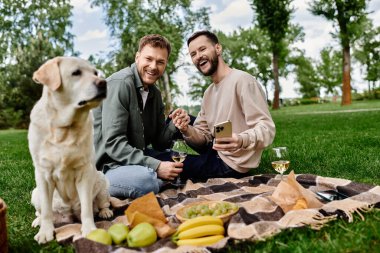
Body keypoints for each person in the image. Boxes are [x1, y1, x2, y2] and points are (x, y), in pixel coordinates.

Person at [170, 30, 276, 181]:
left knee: (160, 160)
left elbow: (266, 128)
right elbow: (204, 138)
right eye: (193, 54)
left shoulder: (243, 81)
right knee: (172, 120)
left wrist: (240, 139)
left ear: (218, 48)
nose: (198, 56)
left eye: (202, 49)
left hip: (230, 165)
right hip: (217, 149)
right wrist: (186, 129)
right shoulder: (209, 93)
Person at [92, 34, 183, 199]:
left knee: (179, 164)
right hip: (105, 167)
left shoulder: (154, 93)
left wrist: (174, 124)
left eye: (160, 62)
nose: (153, 66)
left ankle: (155, 177)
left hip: (132, 160)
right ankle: (99, 187)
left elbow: (159, 143)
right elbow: (114, 144)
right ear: (137, 57)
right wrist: (156, 166)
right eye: (149, 59)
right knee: (146, 181)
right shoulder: (120, 84)